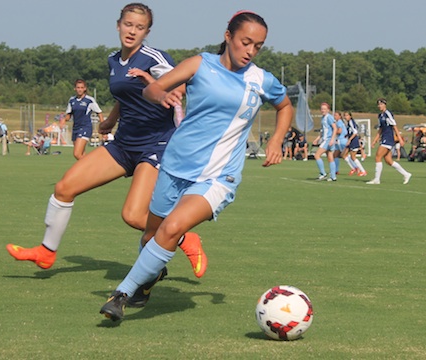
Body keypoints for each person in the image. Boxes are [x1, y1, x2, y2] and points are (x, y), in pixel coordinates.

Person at [99, 10, 293, 322]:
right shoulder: (200, 64)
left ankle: (121, 294)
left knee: (173, 228)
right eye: (246, 42)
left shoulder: (260, 80)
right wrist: (161, 92)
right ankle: (147, 281)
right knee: (152, 236)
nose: (251, 51)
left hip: (218, 177)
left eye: (258, 46)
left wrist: (277, 140)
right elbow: (151, 89)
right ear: (228, 37)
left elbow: (284, 105)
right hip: (175, 167)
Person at [7, 3, 205, 303]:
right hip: (123, 144)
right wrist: (112, 119)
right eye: (128, 24)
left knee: (134, 215)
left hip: (157, 145)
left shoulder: (154, 57)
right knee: (65, 188)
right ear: (118, 25)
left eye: (139, 27)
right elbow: (126, 94)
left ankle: (184, 235)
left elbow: (181, 84)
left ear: (147, 32)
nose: (132, 31)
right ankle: (46, 252)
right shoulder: (114, 61)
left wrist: (165, 89)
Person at [366, 98, 411, 185]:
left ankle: (377, 179)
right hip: (384, 138)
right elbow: (380, 129)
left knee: (378, 157)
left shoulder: (388, 114)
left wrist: (400, 139)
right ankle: (406, 174)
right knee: (388, 161)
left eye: (381, 104)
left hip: (388, 138)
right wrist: (374, 141)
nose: (379, 106)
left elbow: (394, 126)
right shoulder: (380, 116)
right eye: (378, 104)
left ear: (385, 105)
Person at [61, 79, 105, 160]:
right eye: (78, 87)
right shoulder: (72, 100)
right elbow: (68, 115)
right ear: (75, 88)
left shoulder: (89, 100)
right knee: (82, 154)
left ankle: (91, 167)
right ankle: (89, 171)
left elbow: (99, 113)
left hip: (85, 127)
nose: (79, 89)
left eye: (81, 87)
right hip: (75, 129)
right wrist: (63, 120)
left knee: (77, 154)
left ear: (85, 88)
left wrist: (103, 128)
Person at [313, 103, 337, 181]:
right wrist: (317, 139)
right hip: (326, 139)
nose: (322, 110)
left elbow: (335, 128)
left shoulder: (329, 117)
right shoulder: (323, 118)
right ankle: (333, 176)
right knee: (330, 157)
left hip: (328, 140)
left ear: (328, 110)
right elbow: (323, 131)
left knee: (317, 155)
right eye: (321, 109)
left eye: (324, 109)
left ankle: (323, 173)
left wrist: (332, 139)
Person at [341, 111, 367, 176]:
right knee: (343, 155)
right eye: (345, 115)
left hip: (353, 141)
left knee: (353, 157)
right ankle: (354, 168)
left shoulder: (351, 122)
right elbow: (351, 131)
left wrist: (349, 139)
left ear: (350, 116)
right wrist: (347, 135)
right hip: (351, 140)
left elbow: (355, 132)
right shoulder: (348, 123)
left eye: (347, 115)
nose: (345, 117)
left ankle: (363, 171)